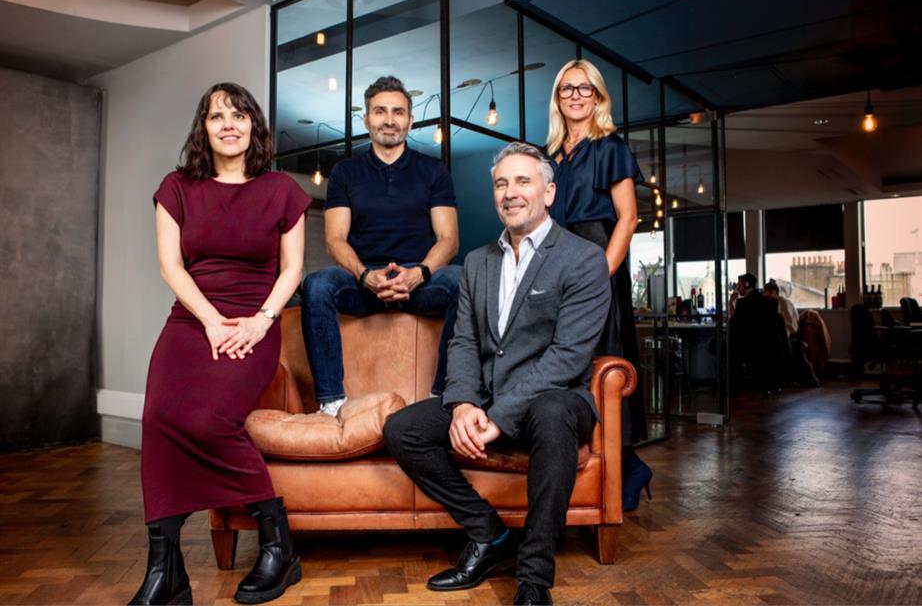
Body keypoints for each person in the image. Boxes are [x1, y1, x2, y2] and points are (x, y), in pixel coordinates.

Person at [383, 142, 610, 606]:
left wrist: (497, 417)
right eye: (501, 183)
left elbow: (567, 358)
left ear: (548, 193)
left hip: (555, 402)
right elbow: (463, 341)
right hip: (487, 399)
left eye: (523, 181)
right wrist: (464, 404)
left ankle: (533, 577)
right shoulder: (477, 263)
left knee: (549, 412)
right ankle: (487, 533)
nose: (511, 192)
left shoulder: (584, 259)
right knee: (402, 429)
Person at [132, 83, 309, 605]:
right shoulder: (177, 187)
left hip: (257, 319)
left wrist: (260, 320)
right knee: (159, 418)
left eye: (239, 114)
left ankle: (278, 542)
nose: (229, 123)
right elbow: (171, 266)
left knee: (210, 421)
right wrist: (210, 320)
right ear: (203, 128)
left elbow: (294, 266)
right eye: (217, 116)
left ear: (254, 125)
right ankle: (166, 571)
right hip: (192, 320)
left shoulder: (282, 190)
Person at [301, 75, 461, 416]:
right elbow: (334, 239)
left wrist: (419, 273)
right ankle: (331, 403)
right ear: (366, 119)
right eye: (380, 111)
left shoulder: (434, 170)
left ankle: (442, 397)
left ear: (410, 119)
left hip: (419, 283)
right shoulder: (345, 172)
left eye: (398, 112)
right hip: (363, 285)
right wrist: (364, 277)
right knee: (317, 285)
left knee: (465, 281)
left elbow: (449, 239)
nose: (390, 119)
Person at [544, 59, 651, 512]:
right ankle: (574, 465)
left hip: (596, 257)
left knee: (604, 362)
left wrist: (601, 275)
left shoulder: (611, 147)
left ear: (598, 96)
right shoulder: (548, 155)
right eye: (567, 89)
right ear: (558, 97)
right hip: (557, 264)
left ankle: (625, 468)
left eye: (584, 89)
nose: (575, 96)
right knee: (564, 363)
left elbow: (628, 218)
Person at [729, 273, 786, 395]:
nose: (738, 289)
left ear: (747, 285)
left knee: (725, 345)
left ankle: (733, 384)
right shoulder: (770, 301)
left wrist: (731, 302)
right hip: (770, 345)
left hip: (752, 346)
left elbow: (734, 322)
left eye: (739, 285)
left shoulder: (743, 303)